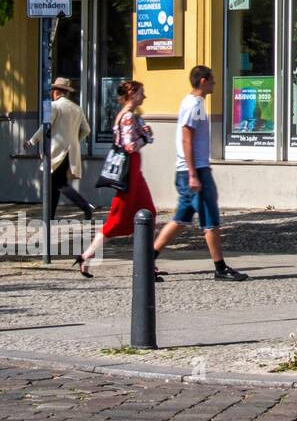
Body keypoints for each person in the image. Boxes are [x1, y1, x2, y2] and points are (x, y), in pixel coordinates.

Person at [153, 65, 247, 281]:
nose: (215, 83)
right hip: (194, 171)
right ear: (203, 81)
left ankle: (148, 259)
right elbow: (187, 138)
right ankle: (220, 268)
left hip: (187, 170)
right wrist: (194, 173)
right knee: (210, 220)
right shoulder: (194, 104)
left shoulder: (191, 102)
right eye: (212, 79)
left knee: (180, 219)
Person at [74, 81, 155, 278]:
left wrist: (144, 134)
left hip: (135, 172)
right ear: (132, 94)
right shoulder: (127, 117)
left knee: (148, 213)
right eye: (141, 93)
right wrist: (145, 136)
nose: (144, 97)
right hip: (129, 172)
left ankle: (147, 262)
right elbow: (129, 146)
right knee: (118, 218)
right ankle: (87, 255)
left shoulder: (128, 116)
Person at [26, 77, 98, 220]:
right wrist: (75, 140)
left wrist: (31, 141)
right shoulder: (77, 108)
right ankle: (49, 216)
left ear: (56, 91)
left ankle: (85, 206)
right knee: (55, 184)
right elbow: (87, 130)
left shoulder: (53, 106)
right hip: (71, 152)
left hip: (57, 151)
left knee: (59, 183)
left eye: (53, 91)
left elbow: (46, 126)